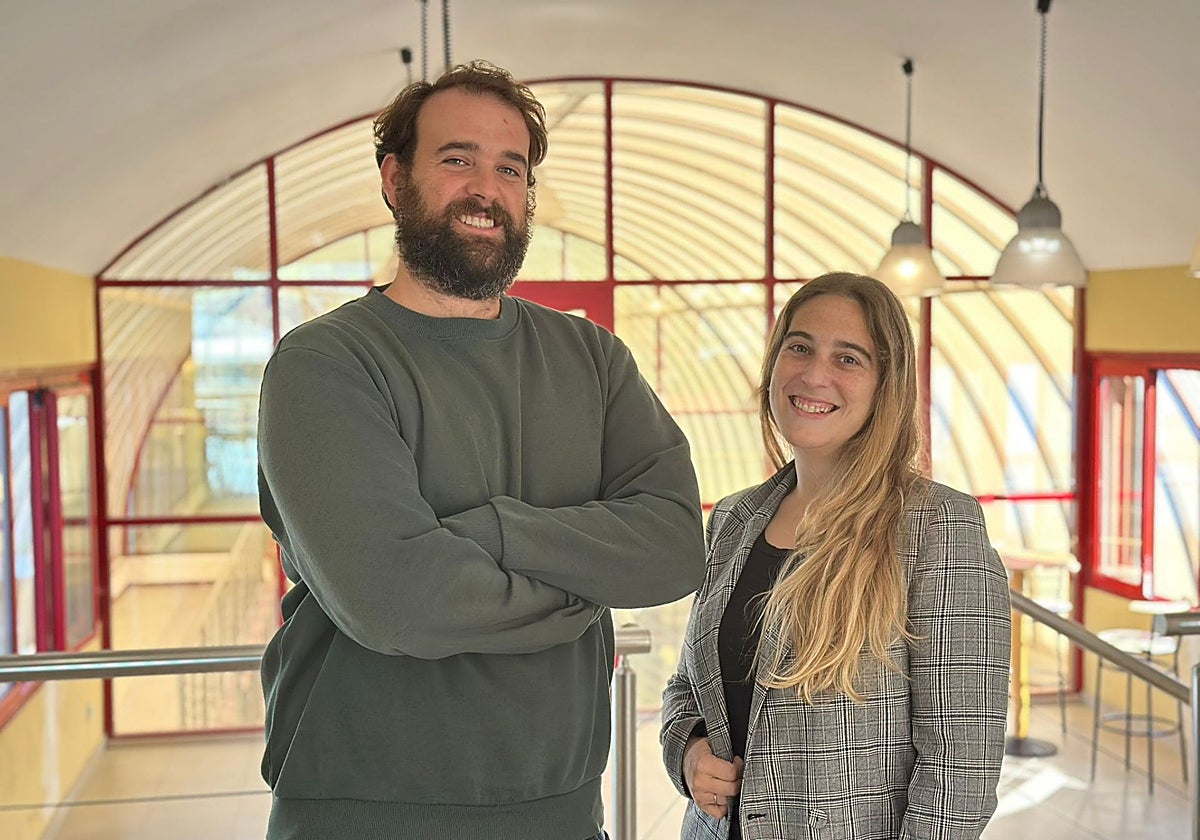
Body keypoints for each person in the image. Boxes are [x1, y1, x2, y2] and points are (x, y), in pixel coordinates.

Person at [256, 60, 705, 840]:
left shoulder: (593, 360)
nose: (485, 188)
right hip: (365, 816)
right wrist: (583, 587)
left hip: (561, 811)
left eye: (510, 168)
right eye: (456, 158)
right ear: (396, 180)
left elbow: (671, 549)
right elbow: (394, 603)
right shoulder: (325, 365)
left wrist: (492, 531)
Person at [660, 272, 1011, 839]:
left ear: (885, 386)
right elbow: (686, 689)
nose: (814, 374)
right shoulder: (733, 520)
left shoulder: (937, 529)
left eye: (849, 359)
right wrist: (689, 754)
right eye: (799, 348)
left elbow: (958, 770)